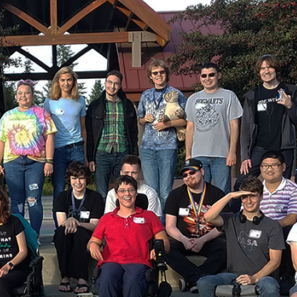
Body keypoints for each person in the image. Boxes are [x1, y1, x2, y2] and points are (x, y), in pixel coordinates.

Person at [193, 177, 286, 297]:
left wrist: (254, 278)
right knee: (204, 282)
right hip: (233, 275)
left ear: (261, 197)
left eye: (253, 196)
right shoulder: (231, 220)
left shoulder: (272, 226)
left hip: (261, 277)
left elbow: (275, 261)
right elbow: (208, 216)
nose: (249, 201)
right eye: (245, 197)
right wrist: (229, 196)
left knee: (271, 287)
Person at [87, 175, 169, 297]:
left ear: (136, 193)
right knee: (107, 278)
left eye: (131, 190)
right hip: (112, 260)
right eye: (122, 190)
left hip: (138, 261)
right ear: (116, 194)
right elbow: (93, 240)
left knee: (132, 280)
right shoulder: (107, 218)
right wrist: (94, 245)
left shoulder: (148, 216)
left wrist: (158, 248)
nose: (127, 194)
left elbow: (164, 241)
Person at [0, 80, 56, 235]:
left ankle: (34, 236)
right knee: (16, 201)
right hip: (12, 162)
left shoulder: (42, 113)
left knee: (34, 200)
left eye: (27, 93)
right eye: (20, 93)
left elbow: (49, 138)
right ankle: (19, 236)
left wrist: (49, 161)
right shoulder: (8, 116)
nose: (23, 96)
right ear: (16, 96)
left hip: (35, 162)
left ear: (32, 95)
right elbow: (0, 140)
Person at [163, 159, 227, 292]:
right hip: (183, 239)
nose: (188, 177)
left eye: (192, 172)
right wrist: (184, 240)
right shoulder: (175, 195)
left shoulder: (217, 194)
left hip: (209, 239)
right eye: (185, 175)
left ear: (202, 172)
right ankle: (199, 278)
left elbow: (224, 225)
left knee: (227, 249)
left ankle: (193, 279)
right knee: (164, 248)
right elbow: (170, 226)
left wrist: (203, 240)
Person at [240, 54, 297, 178]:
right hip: (260, 147)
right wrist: (245, 157)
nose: (266, 71)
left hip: (283, 148)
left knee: (283, 186)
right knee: (242, 182)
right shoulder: (253, 95)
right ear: (259, 72)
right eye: (262, 68)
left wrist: (290, 105)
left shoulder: (289, 91)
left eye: (269, 67)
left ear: (276, 69)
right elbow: (246, 128)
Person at [184, 63, 242, 194]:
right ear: (200, 78)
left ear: (218, 75)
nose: (207, 78)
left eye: (211, 75)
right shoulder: (193, 99)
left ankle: (224, 215)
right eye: (204, 75)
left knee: (222, 192)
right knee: (200, 191)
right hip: (198, 154)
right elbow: (190, 127)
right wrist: (188, 154)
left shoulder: (229, 96)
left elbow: (234, 124)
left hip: (221, 154)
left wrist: (232, 151)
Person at [137, 59, 187, 201]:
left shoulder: (176, 94)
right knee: (151, 192)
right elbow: (140, 120)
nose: (158, 75)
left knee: (165, 192)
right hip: (147, 148)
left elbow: (186, 119)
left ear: (166, 74)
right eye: (155, 73)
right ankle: (153, 222)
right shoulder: (145, 95)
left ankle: (165, 222)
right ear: (150, 76)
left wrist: (168, 124)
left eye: (161, 72)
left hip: (167, 147)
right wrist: (144, 119)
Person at [256, 150, 297, 292]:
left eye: (274, 165)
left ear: (283, 167)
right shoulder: (254, 189)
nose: (269, 169)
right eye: (265, 166)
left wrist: (271, 228)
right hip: (256, 227)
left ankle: (286, 276)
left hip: (280, 229)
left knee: (290, 231)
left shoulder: (294, 189)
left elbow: (293, 217)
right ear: (260, 168)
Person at [85, 70, 138, 197]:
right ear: (105, 83)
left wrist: (134, 156)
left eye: (116, 83)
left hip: (123, 153)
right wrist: (90, 158)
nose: (112, 86)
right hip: (102, 154)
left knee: (124, 190)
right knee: (101, 194)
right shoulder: (95, 106)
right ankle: (103, 217)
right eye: (110, 82)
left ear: (120, 86)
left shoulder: (127, 105)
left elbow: (133, 132)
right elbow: (90, 133)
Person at [53, 162, 104, 294]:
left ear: (86, 179)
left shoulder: (95, 198)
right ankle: (65, 276)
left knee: (81, 234)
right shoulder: (62, 197)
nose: (78, 182)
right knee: (61, 233)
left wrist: (77, 223)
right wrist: (70, 221)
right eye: (74, 178)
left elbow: (95, 225)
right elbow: (61, 222)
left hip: (85, 232)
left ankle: (82, 278)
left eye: (81, 178)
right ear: (69, 180)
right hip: (67, 230)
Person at [44, 67, 88, 211]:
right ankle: (60, 226)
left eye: (69, 80)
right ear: (58, 82)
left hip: (77, 147)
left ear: (73, 81)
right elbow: (45, 130)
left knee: (78, 187)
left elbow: (83, 128)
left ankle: (77, 221)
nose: (66, 83)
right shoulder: (49, 102)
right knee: (59, 188)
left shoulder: (80, 101)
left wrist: (86, 155)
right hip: (57, 149)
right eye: (63, 80)